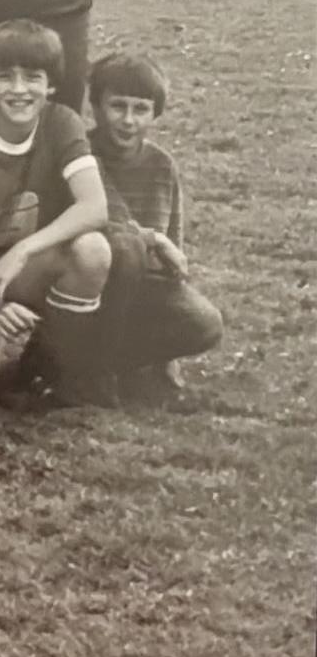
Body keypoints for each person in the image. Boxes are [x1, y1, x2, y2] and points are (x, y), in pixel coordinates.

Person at [0, 20, 116, 405]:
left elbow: (94, 206)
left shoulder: (61, 122)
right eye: (5, 77)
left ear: (50, 84)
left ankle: (50, 365)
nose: (19, 89)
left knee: (92, 249)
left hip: (25, 268)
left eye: (33, 77)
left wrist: (22, 251)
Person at [85, 51, 223, 406]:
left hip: (146, 288)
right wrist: (153, 239)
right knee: (124, 255)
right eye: (117, 106)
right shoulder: (82, 155)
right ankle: (84, 369)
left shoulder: (162, 164)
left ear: (154, 114)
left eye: (141, 109)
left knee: (205, 323)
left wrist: (168, 357)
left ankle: (112, 363)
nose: (128, 120)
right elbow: (110, 222)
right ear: (96, 107)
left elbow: (173, 249)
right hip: (96, 285)